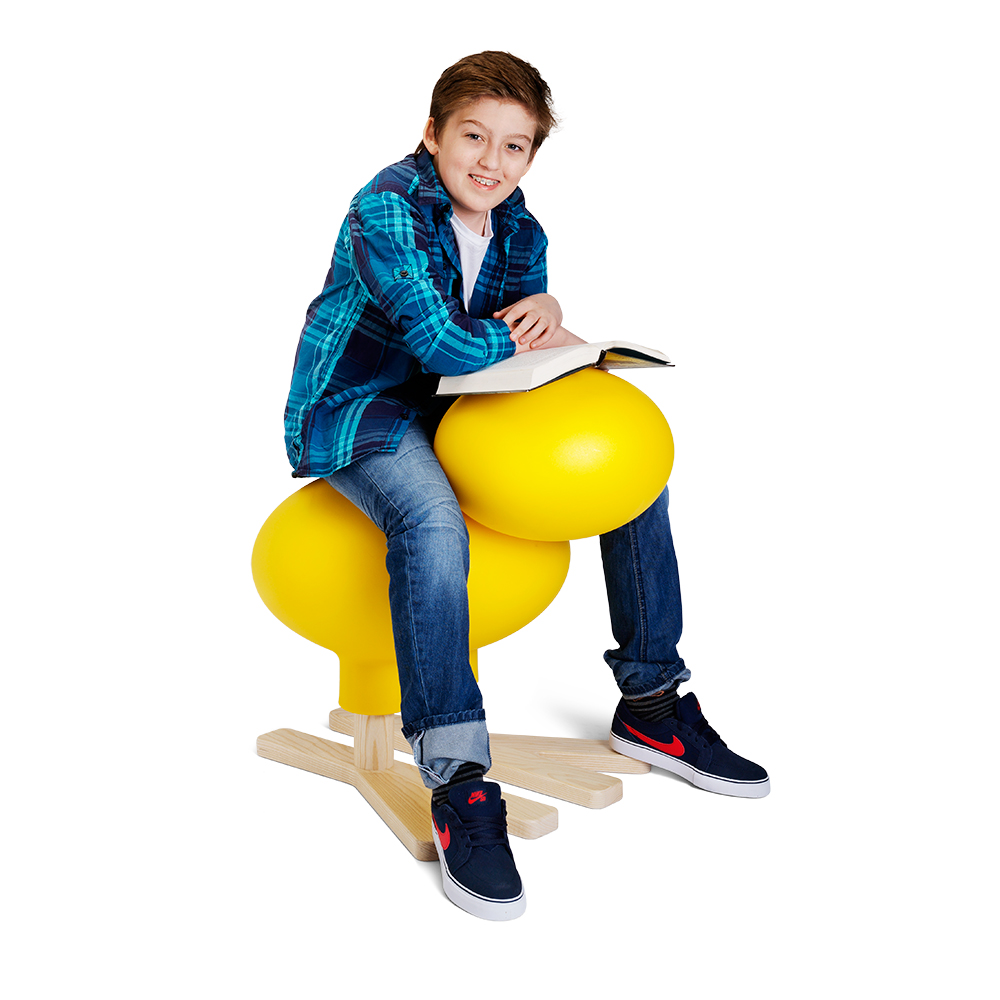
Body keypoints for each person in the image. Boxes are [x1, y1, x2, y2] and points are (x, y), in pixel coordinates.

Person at [283, 51, 769, 921]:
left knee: (625, 470)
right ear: (432, 134)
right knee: (432, 521)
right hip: (362, 410)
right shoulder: (385, 205)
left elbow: (509, 336)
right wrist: (532, 327)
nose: (491, 162)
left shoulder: (520, 229)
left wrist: (549, 317)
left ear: (532, 155)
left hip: (460, 406)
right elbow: (443, 344)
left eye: (514, 146)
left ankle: (653, 702)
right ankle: (457, 779)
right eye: (473, 136)